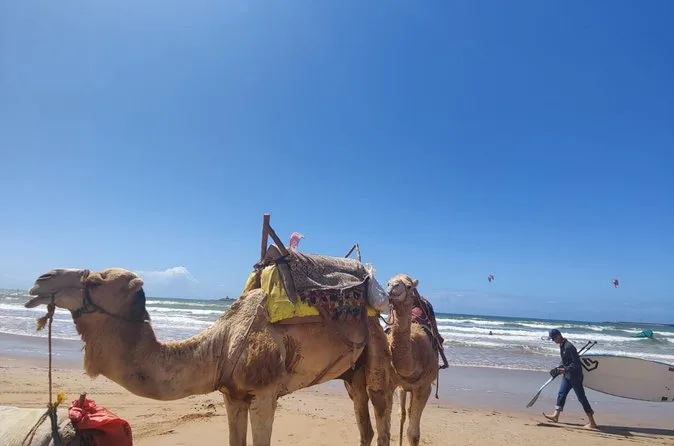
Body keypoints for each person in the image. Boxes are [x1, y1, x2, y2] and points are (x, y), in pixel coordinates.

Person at [543, 329, 598, 429]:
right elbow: (566, 361)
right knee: (561, 393)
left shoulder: (569, 347)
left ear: (559, 336)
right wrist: (558, 368)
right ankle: (556, 416)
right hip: (567, 376)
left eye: (554, 338)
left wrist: (565, 369)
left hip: (575, 377)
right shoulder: (562, 345)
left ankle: (592, 422)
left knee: (581, 398)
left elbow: (576, 364)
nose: (553, 341)